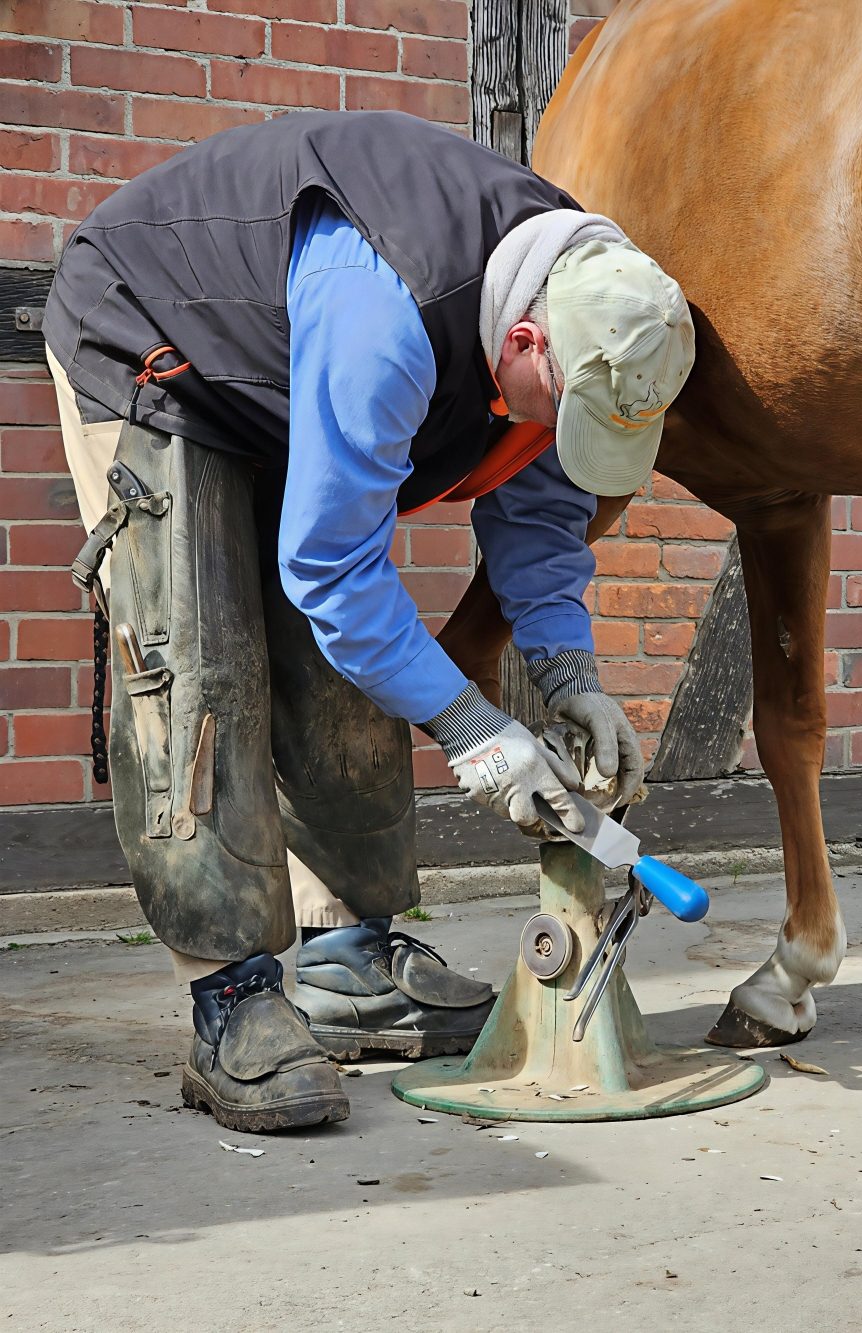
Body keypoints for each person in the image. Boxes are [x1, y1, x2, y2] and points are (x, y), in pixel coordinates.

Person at [43, 110, 695, 1133]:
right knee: (198, 659)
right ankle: (232, 996)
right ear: (521, 341)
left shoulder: (596, 311)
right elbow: (333, 573)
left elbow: (541, 506)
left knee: (347, 666)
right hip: (153, 338)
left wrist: (571, 674)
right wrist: (476, 731)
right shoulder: (387, 320)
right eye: (555, 407)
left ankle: (351, 960)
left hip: (283, 366)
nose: (561, 433)